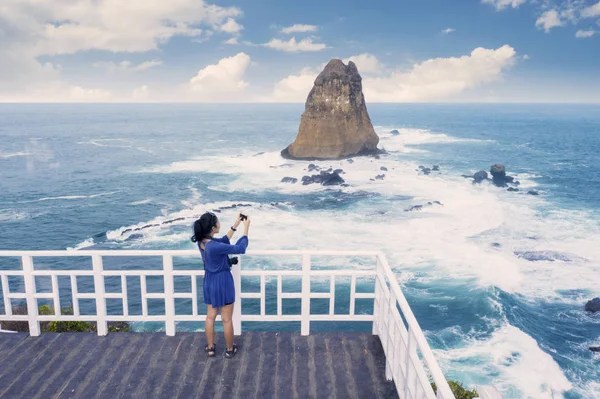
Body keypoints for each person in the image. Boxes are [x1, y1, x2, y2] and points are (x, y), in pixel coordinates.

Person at [191, 211, 250, 358]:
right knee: (226, 319)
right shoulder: (215, 247)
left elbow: (223, 241)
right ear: (212, 227)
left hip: (210, 281)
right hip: (222, 281)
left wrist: (235, 225)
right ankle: (230, 350)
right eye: (217, 222)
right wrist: (246, 230)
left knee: (210, 316)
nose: (219, 224)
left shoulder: (202, 242)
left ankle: (210, 347)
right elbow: (240, 249)